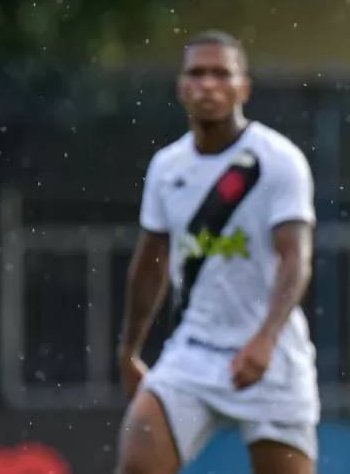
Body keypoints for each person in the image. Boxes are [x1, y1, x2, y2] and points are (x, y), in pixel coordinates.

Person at [116, 31, 319, 474]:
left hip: (272, 355)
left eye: (221, 74)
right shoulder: (167, 167)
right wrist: (129, 349)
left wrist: (265, 338)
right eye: (197, 73)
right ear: (181, 88)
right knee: (136, 464)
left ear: (243, 87)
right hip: (194, 352)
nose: (209, 84)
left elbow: (295, 259)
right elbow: (150, 263)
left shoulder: (277, 160)